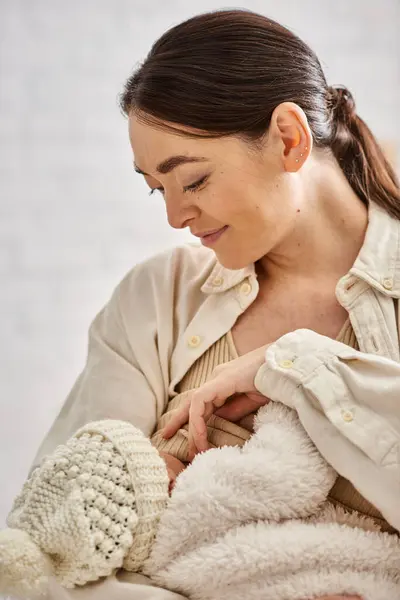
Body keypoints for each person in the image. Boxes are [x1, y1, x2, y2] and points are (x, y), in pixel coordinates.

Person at [20, 7, 400, 600]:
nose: (176, 217)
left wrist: (295, 365)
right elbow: (51, 547)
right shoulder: (155, 300)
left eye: (192, 180)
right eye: (157, 189)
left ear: (289, 139)